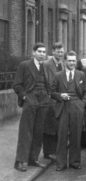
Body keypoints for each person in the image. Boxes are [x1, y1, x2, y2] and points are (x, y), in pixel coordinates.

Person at [13, 43, 50, 172]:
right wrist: (25, 97)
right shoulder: (24, 65)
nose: (42, 54)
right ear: (33, 52)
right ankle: (21, 161)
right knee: (26, 132)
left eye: (44, 52)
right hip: (30, 101)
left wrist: (48, 96)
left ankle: (33, 159)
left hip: (43, 102)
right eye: (39, 51)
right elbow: (17, 85)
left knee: (38, 132)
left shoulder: (45, 67)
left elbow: (47, 84)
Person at [51, 51, 86, 171]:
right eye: (69, 60)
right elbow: (51, 92)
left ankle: (75, 162)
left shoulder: (81, 74)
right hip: (63, 107)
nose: (72, 63)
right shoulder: (58, 75)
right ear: (65, 61)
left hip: (77, 107)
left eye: (73, 61)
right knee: (62, 136)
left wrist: (82, 105)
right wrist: (60, 95)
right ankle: (61, 163)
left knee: (76, 135)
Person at [43, 42, 65, 160]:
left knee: (58, 127)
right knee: (49, 127)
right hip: (50, 100)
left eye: (61, 52)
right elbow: (45, 81)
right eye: (58, 51)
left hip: (61, 100)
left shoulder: (63, 65)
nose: (60, 54)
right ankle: (48, 152)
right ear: (53, 52)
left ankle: (56, 150)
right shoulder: (46, 65)